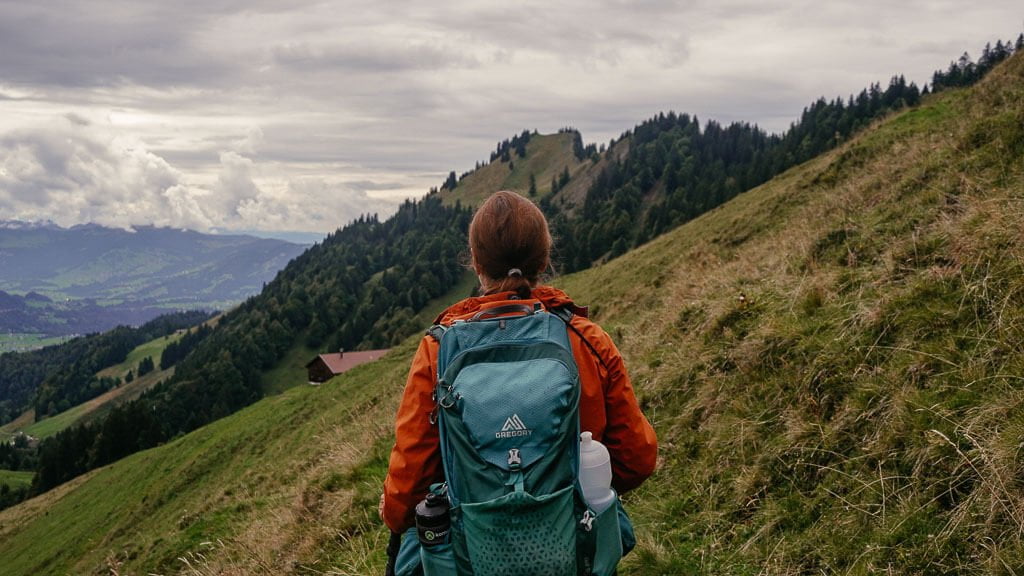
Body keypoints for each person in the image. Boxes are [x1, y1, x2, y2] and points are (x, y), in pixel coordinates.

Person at [380, 190, 658, 564]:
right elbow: (636, 460)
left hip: (471, 555)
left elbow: (411, 478)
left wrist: (394, 512)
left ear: (476, 262)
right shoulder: (586, 339)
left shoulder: (439, 350)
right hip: (573, 551)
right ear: (543, 259)